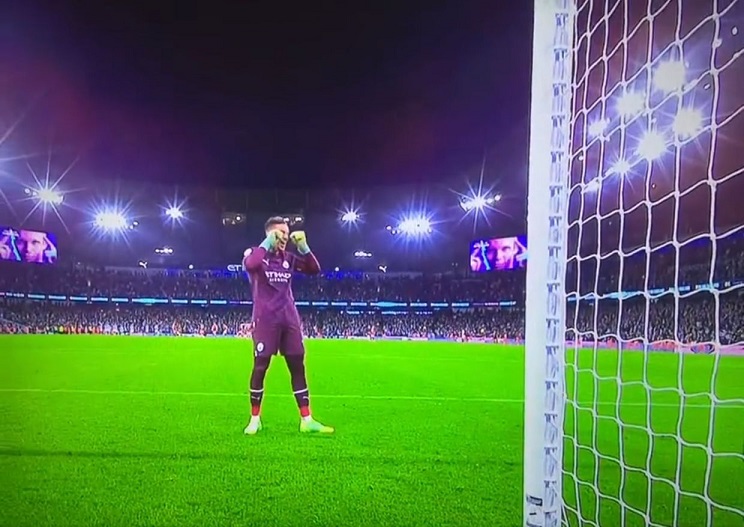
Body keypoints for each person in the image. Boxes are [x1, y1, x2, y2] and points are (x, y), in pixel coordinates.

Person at [241, 216, 333, 435]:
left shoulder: (289, 259)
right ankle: (255, 419)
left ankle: (306, 420)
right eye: (281, 232)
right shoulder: (256, 254)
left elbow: (314, 269)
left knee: (297, 366)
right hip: (266, 320)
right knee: (260, 366)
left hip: (289, 319)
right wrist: (267, 243)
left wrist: (304, 247)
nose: (285, 237)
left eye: (287, 233)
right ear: (270, 233)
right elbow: (251, 265)